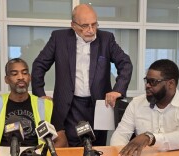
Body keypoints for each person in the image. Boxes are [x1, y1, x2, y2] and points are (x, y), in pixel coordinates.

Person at [32, 4, 133, 147]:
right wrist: (40, 95)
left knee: (97, 147)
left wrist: (118, 90)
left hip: (98, 105)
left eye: (94, 24)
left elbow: (125, 63)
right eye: (85, 26)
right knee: (71, 148)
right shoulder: (58, 38)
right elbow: (39, 65)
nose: (91, 30)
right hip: (69, 106)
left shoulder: (106, 38)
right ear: (73, 25)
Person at [110, 59, 179, 156]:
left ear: (170, 84)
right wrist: (120, 153)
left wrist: (150, 138)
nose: (147, 85)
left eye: (153, 82)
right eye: (146, 81)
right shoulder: (136, 103)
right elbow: (120, 135)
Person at [0, 58, 68, 151]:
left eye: (24, 73)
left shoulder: (46, 105)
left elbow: (62, 141)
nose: (21, 77)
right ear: (6, 79)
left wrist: (43, 154)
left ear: (29, 77)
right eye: (15, 74)